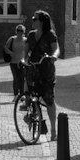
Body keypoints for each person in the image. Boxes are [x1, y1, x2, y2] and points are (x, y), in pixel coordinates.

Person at [26, 9, 59, 140]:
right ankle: (29, 111)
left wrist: (54, 56)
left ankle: (53, 130)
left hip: (46, 70)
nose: (32, 21)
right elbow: (25, 50)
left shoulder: (50, 34)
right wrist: (23, 59)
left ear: (42, 22)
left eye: (35, 19)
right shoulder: (30, 35)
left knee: (49, 99)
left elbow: (56, 48)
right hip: (33, 69)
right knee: (28, 94)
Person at [6, 24, 27, 97]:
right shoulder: (12, 39)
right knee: (16, 79)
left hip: (22, 63)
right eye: (18, 30)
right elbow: (6, 48)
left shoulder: (25, 40)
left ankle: (22, 95)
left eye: (21, 31)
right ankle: (16, 95)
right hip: (13, 62)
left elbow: (29, 50)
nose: (19, 32)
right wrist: (10, 52)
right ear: (16, 31)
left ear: (24, 32)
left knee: (22, 79)